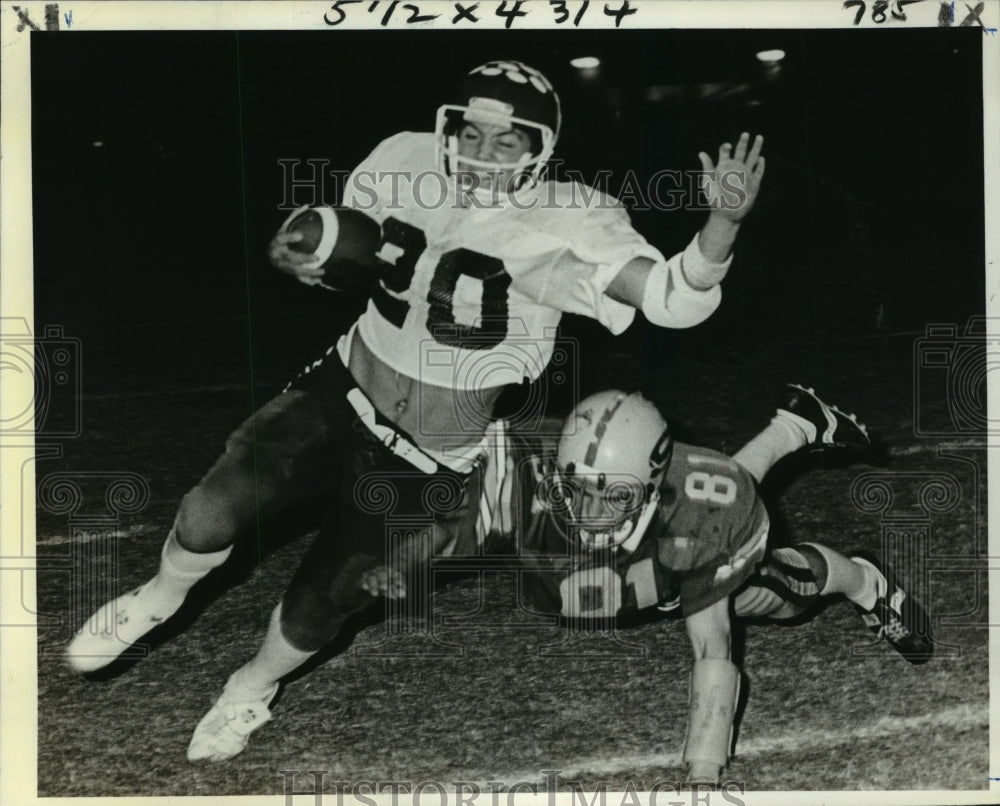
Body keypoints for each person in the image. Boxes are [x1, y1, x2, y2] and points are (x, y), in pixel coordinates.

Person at [65, 60, 765, 762]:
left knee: (324, 602)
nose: (480, 153)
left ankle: (249, 689)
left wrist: (721, 225)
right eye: (470, 132)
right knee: (209, 511)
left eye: (507, 141)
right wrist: (309, 254)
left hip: (432, 452)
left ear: (541, 149)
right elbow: (355, 245)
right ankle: (156, 598)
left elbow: (677, 302)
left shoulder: (572, 217)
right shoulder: (403, 159)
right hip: (342, 391)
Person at [508, 385, 933, 786]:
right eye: (579, 489)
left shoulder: (696, 523)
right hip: (675, 518)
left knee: (778, 595)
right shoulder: (531, 474)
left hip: (689, 533)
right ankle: (794, 425)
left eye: (616, 497)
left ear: (652, 489)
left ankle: (867, 582)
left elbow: (713, 645)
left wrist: (704, 773)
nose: (591, 513)